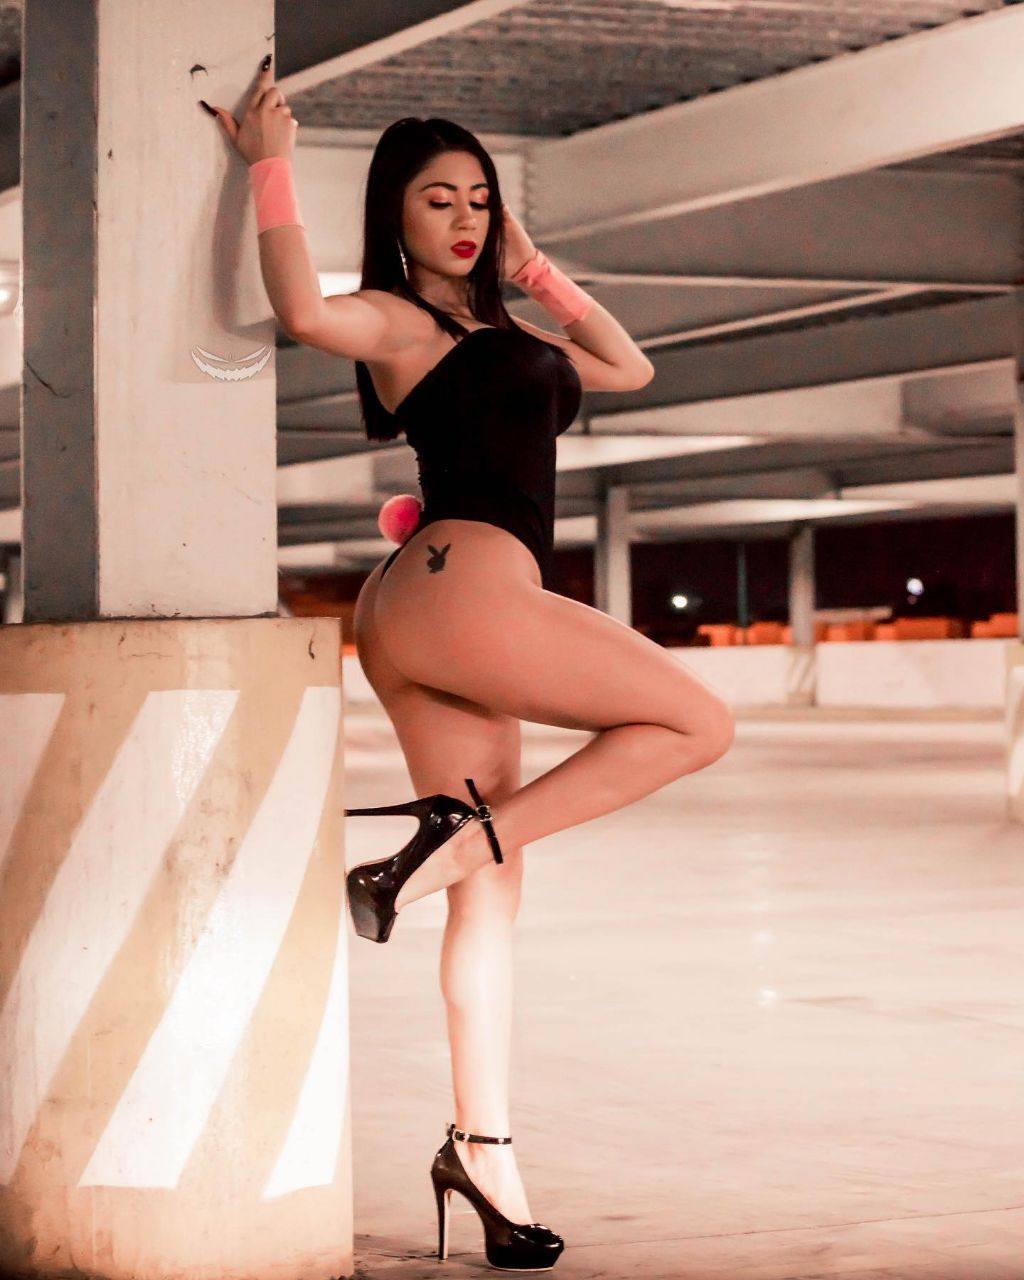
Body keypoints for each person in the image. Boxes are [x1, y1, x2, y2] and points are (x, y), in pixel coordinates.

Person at [203, 55, 735, 1273]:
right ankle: (439, 843)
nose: (463, 217)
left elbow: (628, 365)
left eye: (479, 199)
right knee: (697, 723)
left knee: (491, 891)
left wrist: (533, 265)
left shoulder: (503, 323)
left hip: (427, 611)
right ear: (393, 211)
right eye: (437, 198)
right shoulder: (397, 323)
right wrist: (269, 168)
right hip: (464, 592)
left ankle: (483, 1154)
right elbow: (303, 314)